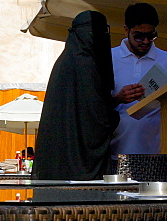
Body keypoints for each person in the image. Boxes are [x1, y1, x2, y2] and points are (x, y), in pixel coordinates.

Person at [32, 10, 119, 180]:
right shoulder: (86, 65)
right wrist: (114, 112)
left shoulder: (64, 61)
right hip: (81, 172)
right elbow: (96, 123)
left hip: (58, 166)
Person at [110, 3, 167, 157]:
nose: (146, 41)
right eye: (139, 36)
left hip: (157, 153)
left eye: (151, 36)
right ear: (126, 30)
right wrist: (118, 99)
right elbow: (94, 107)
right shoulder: (109, 58)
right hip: (116, 151)